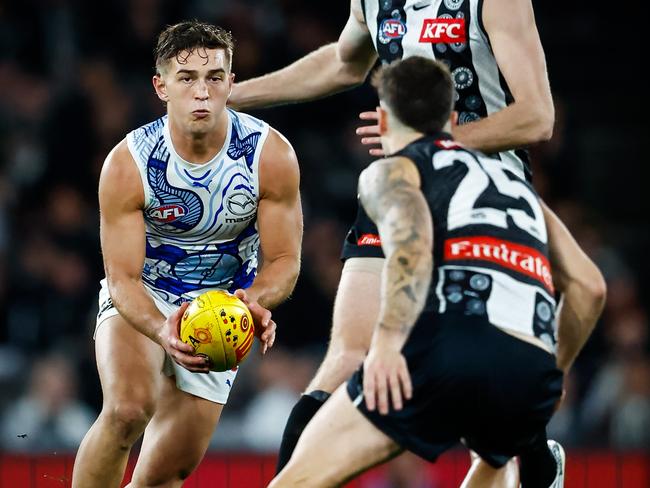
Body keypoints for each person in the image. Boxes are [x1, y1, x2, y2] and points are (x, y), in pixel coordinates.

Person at [230, 0, 606, 483]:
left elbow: (536, 117)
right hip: (403, 175)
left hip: (484, 192)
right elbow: (345, 62)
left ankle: (527, 446)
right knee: (346, 358)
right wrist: (235, 96)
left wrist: (431, 142)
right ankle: (528, 447)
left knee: (482, 408)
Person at [71, 21, 303, 488]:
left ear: (231, 83)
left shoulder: (269, 154)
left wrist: (251, 303)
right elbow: (122, 279)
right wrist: (161, 328)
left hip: (222, 308)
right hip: (146, 296)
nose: (202, 92)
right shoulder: (128, 163)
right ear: (161, 87)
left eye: (214, 78)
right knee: (127, 410)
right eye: (187, 78)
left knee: (164, 474)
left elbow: (283, 262)